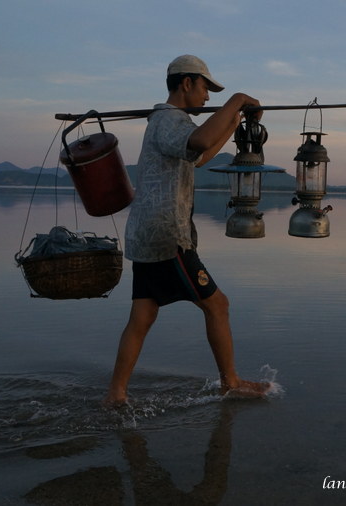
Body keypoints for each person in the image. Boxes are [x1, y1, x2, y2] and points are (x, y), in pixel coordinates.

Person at [103, 54, 269, 406]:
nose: (208, 97)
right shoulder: (169, 120)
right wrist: (237, 99)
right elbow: (200, 141)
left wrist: (233, 121)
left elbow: (201, 153)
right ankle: (231, 382)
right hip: (167, 236)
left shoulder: (169, 124)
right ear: (187, 82)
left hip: (148, 235)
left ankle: (116, 394)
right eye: (206, 88)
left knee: (143, 315)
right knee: (218, 305)